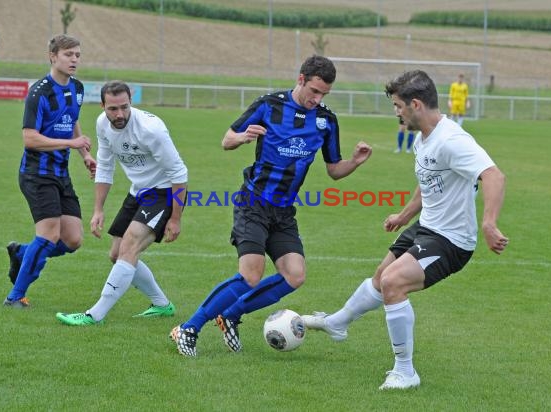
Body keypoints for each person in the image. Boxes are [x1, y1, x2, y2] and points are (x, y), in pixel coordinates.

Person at [302, 70, 507, 390]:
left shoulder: (453, 140)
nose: (396, 112)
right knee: (380, 277)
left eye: (398, 106)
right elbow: (428, 183)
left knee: (393, 282)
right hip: (426, 227)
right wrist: (403, 215)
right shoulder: (423, 139)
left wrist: (489, 223)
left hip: (452, 241)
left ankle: (405, 371)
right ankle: (338, 323)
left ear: (416, 104)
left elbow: (494, 175)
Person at [169, 55, 372, 357]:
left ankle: (231, 316)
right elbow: (226, 140)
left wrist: (354, 162)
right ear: (301, 79)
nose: (317, 99)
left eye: (324, 94)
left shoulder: (326, 121)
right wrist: (242, 137)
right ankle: (188, 327)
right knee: (250, 274)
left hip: (284, 211)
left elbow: (333, 170)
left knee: (295, 275)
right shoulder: (269, 105)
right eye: (314, 91)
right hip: (254, 202)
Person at [56, 80, 188, 325]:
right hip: (138, 191)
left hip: (164, 192)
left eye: (124, 107)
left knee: (129, 246)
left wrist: (176, 218)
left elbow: (179, 175)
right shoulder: (101, 125)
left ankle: (94, 315)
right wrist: (98, 209)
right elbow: (105, 165)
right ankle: (162, 305)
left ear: (131, 103)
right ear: (103, 106)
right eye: (113, 109)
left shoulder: (151, 129)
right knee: (116, 254)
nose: (120, 114)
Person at [4, 34, 97, 308]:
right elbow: (29, 138)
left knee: (73, 239)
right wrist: (71, 142)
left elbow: (73, 120)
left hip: (61, 173)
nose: (75, 60)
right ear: (53, 56)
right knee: (48, 235)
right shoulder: (38, 92)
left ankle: (23, 253)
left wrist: (85, 155)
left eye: (78, 55)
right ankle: (15, 296)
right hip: (36, 173)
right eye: (69, 55)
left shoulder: (77, 88)